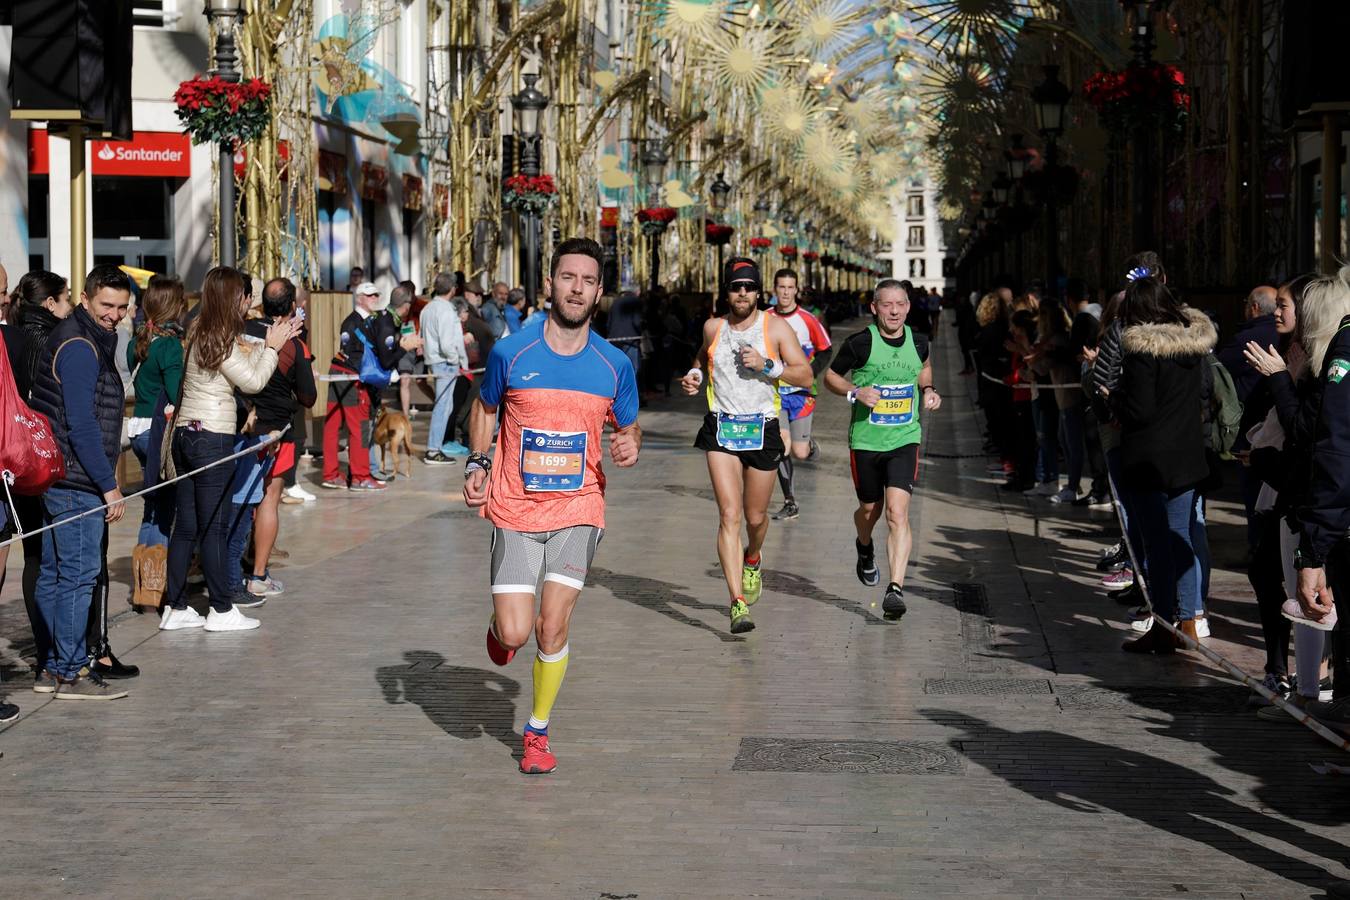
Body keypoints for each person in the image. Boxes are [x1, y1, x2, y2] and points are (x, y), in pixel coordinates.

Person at [463, 237, 641, 775]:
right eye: (568, 277)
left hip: (578, 509)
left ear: (600, 292)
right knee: (516, 634)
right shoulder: (510, 352)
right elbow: (485, 408)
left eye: (588, 281)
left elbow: (629, 427)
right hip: (515, 507)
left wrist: (630, 444)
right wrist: (476, 462)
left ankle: (536, 731)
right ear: (550, 283)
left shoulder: (613, 364)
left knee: (551, 625)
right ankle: (499, 635)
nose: (577, 288)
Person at [158, 266, 300, 633]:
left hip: (189, 435)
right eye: (244, 295)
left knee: (186, 525)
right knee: (215, 525)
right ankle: (221, 609)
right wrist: (272, 346)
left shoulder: (200, 330)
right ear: (233, 297)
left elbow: (240, 370)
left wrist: (265, 344)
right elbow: (252, 382)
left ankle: (175, 605)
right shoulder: (219, 336)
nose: (249, 301)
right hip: (212, 439)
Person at [680, 257, 812, 634]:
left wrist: (768, 365)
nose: (742, 293)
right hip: (721, 429)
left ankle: (752, 557)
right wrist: (692, 376)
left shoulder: (776, 327)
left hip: (762, 429)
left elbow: (803, 373)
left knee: (755, 518)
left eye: (749, 287)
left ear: (758, 292)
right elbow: (701, 360)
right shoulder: (713, 327)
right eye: (736, 287)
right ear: (727, 291)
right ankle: (736, 601)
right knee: (729, 515)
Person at [27, 265, 135, 698]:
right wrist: (108, 486)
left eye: (123, 307)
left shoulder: (86, 336)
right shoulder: (78, 345)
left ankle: (54, 665)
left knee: (57, 573)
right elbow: (82, 425)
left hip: (65, 475)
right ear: (86, 299)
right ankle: (70, 669)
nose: (114, 315)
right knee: (76, 575)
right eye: (106, 305)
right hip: (75, 481)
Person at [824, 279, 941, 617]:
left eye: (900, 304)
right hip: (865, 440)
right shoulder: (860, 343)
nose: (894, 310)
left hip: (905, 438)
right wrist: (854, 392)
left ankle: (895, 589)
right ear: (875, 308)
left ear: (908, 306)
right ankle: (864, 547)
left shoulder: (919, 341)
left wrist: (929, 389)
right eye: (887, 304)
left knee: (896, 513)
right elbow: (830, 376)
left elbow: (925, 367)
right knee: (868, 512)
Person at [1114, 275, 1216, 653]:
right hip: (1186, 456)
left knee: (1157, 544)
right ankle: (1189, 619)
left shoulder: (1143, 351)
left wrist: (1114, 399)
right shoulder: (1191, 349)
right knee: (1182, 537)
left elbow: (1139, 410)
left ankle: (1161, 623)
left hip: (1149, 460)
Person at [6, 271, 73, 673]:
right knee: (39, 555)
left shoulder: (18, 333)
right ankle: (48, 649)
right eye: (65, 300)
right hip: (32, 458)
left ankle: (47, 647)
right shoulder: (41, 340)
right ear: (50, 303)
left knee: (35, 553)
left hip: (19, 457)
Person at [242, 277, 317, 600]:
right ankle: (258, 574)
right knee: (268, 499)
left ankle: (233, 567)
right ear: (290, 307)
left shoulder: (242, 330)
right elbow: (309, 397)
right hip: (276, 430)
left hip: (240, 425)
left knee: (240, 499)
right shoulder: (293, 344)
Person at [125, 274, 187, 609]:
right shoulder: (170, 345)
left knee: (151, 508)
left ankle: (141, 590)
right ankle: (154, 589)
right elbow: (178, 394)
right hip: (160, 433)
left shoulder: (139, 341)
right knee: (165, 511)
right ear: (175, 307)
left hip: (138, 429)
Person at [322, 282, 410, 490]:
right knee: (354, 427)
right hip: (351, 378)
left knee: (335, 426)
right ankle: (359, 477)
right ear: (359, 297)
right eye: (370, 295)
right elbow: (354, 356)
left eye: (376, 295)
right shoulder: (353, 322)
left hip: (343, 373)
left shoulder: (371, 321)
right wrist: (382, 373)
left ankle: (333, 474)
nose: (374, 298)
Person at [767, 268, 833, 520]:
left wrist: (810, 372)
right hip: (775, 393)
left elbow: (826, 349)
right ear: (775, 289)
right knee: (781, 446)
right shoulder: (765, 317)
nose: (785, 292)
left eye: (790, 287)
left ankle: (809, 444)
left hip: (803, 394)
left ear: (796, 290)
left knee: (800, 452)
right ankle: (790, 502)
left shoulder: (808, 319)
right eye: (781, 287)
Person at [421, 273, 469, 464]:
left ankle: (435, 447)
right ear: (453, 289)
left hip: (435, 360)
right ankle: (433, 450)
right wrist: (456, 360)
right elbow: (448, 343)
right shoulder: (446, 311)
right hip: (446, 363)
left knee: (444, 406)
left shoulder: (427, 308)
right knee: (443, 407)